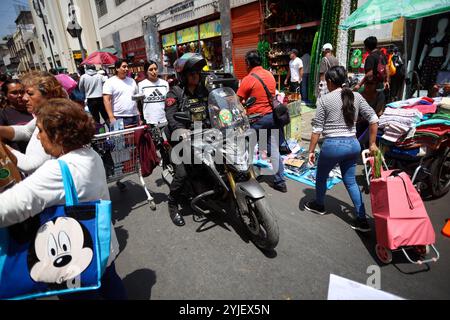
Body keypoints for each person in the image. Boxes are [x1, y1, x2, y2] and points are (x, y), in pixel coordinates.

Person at [0, 99, 126, 300]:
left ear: (57, 134)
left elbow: (8, 208)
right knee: (111, 284)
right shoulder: (90, 153)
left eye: (40, 131)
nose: (39, 138)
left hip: (75, 259)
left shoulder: (58, 170)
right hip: (102, 244)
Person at [304, 66, 379, 232]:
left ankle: (319, 205)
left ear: (330, 82)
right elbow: (374, 118)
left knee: (321, 176)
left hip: (333, 146)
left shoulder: (324, 100)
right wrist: (372, 143)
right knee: (350, 181)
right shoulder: (357, 96)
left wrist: (310, 151)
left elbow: (317, 130)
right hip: (353, 145)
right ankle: (362, 220)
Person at [165, 53, 209, 227]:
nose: (196, 76)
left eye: (197, 72)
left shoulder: (203, 90)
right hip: (182, 138)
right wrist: (180, 129)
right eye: (192, 73)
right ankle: (172, 204)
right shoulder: (174, 92)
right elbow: (171, 115)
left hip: (204, 134)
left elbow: (214, 107)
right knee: (182, 173)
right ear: (182, 75)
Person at [237, 50, 287, 193]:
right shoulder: (269, 75)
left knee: (246, 148)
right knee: (273, 149)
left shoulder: (249, 78)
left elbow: (237, 100)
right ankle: (280, 182)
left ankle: (246, 178)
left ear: (247, 63)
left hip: (256, 120)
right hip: (271, 117)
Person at [0, 71, 67, 174]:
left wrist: (4, 147)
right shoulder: (45, 115)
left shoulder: (54, 119)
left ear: (48, 94)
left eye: (30, 93)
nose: (24, 98)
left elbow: (31, 166)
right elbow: (26, 131)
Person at [354, 36, 389, 116]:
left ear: (367, 47)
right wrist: (386, 81)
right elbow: (387, 68)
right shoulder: (382, 55)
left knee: (365, 109)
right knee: (379, 111)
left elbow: (369, 74)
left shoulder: (371, 57)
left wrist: (359, 85)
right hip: (381, 86)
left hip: (372, 87)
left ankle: (365, 126)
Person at [103, 59, 140, 127]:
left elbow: (136, 99)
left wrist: (138, 114)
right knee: (121, 137)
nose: (126, 69)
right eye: (124, 66)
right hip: (119, 117)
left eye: (127, 67)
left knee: (137, 137)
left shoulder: (132, 81)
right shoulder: (109, 82)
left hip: (134, 116)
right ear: (117, 68)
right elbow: (106, 100)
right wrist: (111, 117)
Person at [418, 17, 450, 96]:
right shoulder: (431, 36)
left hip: (439, 60)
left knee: (435, 80)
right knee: (424, 78)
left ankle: (432, 96)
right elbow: (424, 50)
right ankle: (422, 95)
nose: (442, 25)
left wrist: (446, 61)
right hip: (429, 58)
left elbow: (449, 51)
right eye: (440, 23)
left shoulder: (447, 37)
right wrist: (420, 61)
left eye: (444, 24)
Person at [0, 79, 33, 153]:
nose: (20, 95)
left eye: (22, 92)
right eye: (14, 93)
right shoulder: (3, 115)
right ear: (5, 96)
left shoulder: (33, 110)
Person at [138, 60, 169, 125]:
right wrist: (141, 119)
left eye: (155, 69)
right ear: (146, 72)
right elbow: (139, 104)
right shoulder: (141, 85)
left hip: (164, 120)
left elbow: (168, 102)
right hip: (149, 121)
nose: (154, 72)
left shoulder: (165, 84)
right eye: (151, 70)